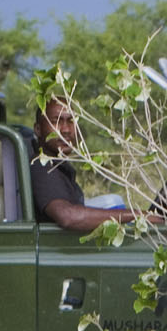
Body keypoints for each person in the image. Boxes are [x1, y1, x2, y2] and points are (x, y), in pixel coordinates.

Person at [28, 96, 145, 232]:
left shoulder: (58, 165)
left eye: (71, 121)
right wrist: (139, 216)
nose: (66, 130)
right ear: (38, 129)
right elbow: (68, 216)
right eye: (56, 121)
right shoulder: (41, 166)